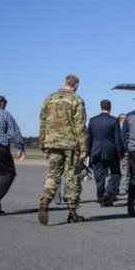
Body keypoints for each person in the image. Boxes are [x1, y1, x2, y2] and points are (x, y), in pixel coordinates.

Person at [38, 74, 88, 225]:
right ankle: (72, 212)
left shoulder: (49, 98)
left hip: (52, 143)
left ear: (65, 83)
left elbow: (42, 121)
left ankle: (45, 201)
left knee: (53, 174)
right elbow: (80, 124)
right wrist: (84, 146)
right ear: (76, 85)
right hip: (70, 144)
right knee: (72, 177)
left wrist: (42, 143)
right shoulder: (76, 99)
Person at [86, 99, 124, 207]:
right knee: (116, 174)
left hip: (96, 151)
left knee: (99, 177)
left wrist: (88, 153)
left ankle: (101, 198)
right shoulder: (114, 120)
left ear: (100, 107)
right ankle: (109, 191)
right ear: (110, 107)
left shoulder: (92, 120)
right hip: (111, 152)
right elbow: (117, 138)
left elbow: (89, 138)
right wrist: (120, 154)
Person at [116, 113, 129, 195]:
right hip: (121, 152)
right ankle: (122, 188)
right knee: (122, 171)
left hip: (122, 153)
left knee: (125, 171)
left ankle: (123, 188)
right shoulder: (119, 128)